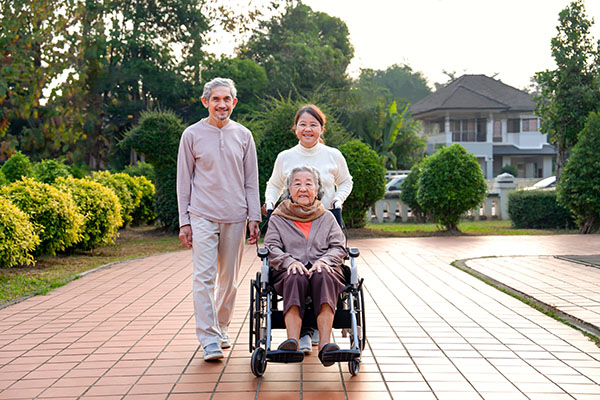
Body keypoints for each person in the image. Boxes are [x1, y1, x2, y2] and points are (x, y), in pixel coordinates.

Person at [177, 77, 261, 361]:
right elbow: (183, 182)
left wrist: (254, 216)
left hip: (236, 216)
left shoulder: (244, 135)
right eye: (216, 99)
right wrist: (184, 221)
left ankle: (222, 326)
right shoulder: (191, 135)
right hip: (201, 214)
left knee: (229, 279)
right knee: (204, 276)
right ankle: (209, 338)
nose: (221, 104)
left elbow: (252, 180)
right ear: (205, 102)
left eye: (227, 99)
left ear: (234, 103)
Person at [264, 104, 353, 353]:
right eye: (303, 124)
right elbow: (273, 184)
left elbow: (345, 181)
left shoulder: (333, 155)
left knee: (323, 273)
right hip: (291, 222)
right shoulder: (285, 157)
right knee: (295, 274)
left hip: (323, 215)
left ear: (321, 128)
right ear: (295, 128)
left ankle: (324, 341)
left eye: (313, 124)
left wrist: (338, 201)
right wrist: (271, 204)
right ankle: (297, 337)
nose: (308, 129)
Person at [264, 166, 347, 367]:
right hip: (288, 271)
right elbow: (271, 246)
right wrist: (289, 262)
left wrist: (324, 261)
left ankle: (325, 345)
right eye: (297, 183)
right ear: (289, 189)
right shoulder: (278, 217)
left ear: (317, 189)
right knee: (295, 276)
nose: (303, 188)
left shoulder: (327, 217)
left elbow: (338, 246)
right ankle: (292, 343)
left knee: (324, 275)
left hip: (325, 269)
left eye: (308, 184)